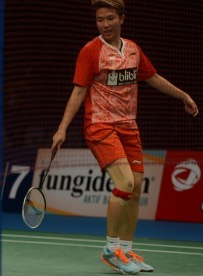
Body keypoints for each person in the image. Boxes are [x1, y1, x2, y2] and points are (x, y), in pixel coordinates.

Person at [51, 0, 199, 275]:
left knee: (137, 188)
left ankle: (125, 250)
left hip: (129, 127)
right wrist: (62, 128)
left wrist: (183, 95)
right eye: (99, 20)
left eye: (109, 18)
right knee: (125, 182)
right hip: (100, 126)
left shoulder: (132, 49)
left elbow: (153, 77)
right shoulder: (90, 51)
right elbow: (78, 92)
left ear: (122, 19)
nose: (104, 24)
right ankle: (110, 249)